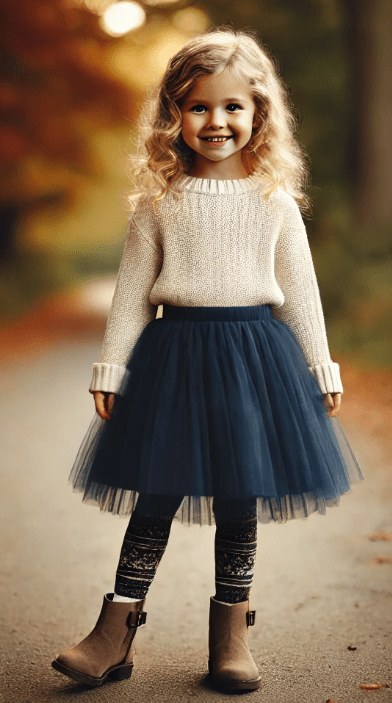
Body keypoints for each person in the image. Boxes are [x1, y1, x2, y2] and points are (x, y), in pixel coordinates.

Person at [51, 27, 363, 692]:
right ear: (174, 115)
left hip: (257, 360)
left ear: (258, 114)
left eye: (231, 107)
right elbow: (132, 296)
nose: (216, 121)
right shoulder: (156, 204)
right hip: (173, 357)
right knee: (155, 491)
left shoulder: (275, 202)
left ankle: (231, 636)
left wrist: (320, 368)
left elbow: (301, 296)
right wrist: (110, 366)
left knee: (239, 496)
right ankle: (115, 631)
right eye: (198, 107)